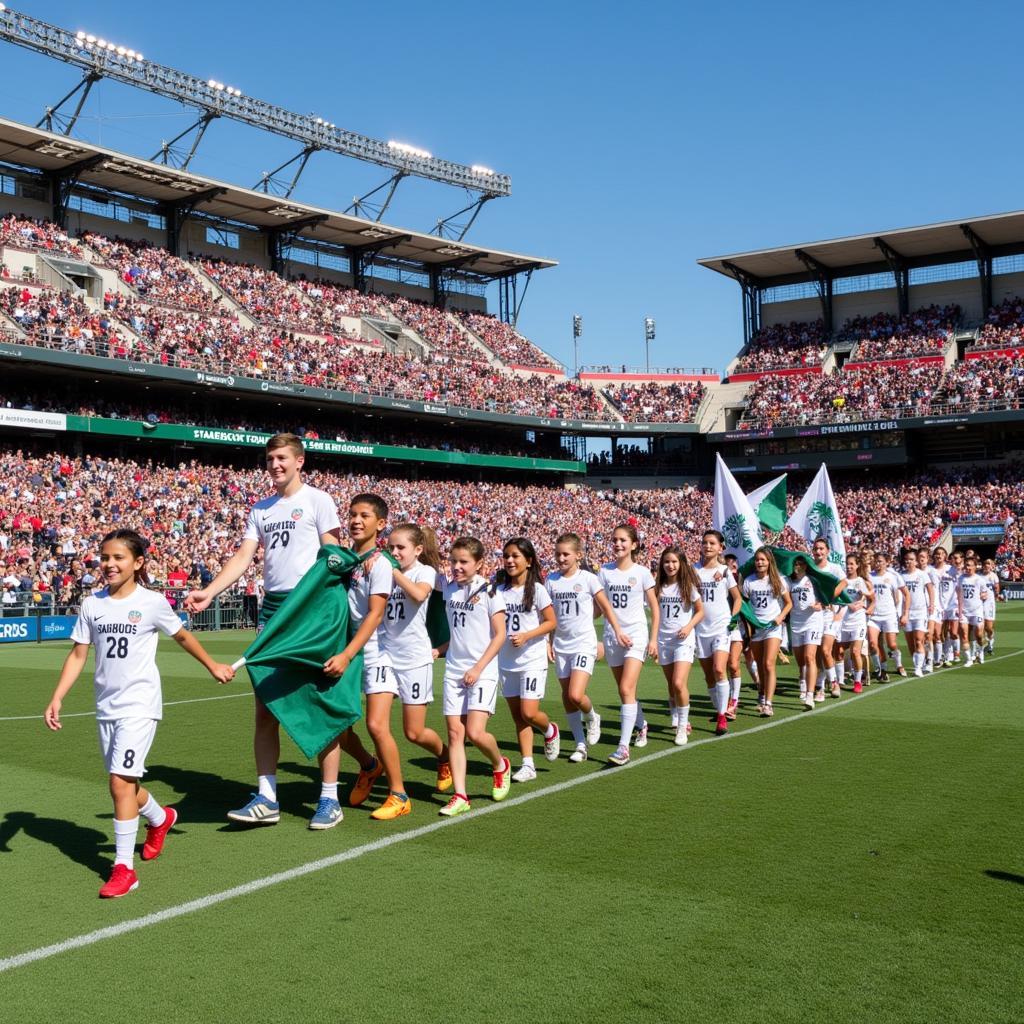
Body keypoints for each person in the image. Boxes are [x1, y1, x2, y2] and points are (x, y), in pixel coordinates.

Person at [184, 433, 375, 829]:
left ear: (300, 461)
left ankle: (328, 799)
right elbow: (243, 558)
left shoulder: (318, 501)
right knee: (265, 707)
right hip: (274, 612)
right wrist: (210, 591)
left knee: (320, 702)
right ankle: (267, 796)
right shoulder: (261, 508)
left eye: (282, 458)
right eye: (270, 458)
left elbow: (332, 556)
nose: (275, 464)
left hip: (311, 611)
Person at [44, 529, 234, 898]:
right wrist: (57, 697)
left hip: (140, 704)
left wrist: (211, 665)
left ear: (138, 563)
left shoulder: (151, 602)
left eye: (118, 558)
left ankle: (123, 869)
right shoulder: (92, 604)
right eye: (105, 557)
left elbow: (181, 636)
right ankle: (161, 819)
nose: (109, 564)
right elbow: (79, 654)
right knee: (126, 785)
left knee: (118, 782)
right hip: (106, 707)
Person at [342, 493, 410, 822]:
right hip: (346, 651)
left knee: (376, 725)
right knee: (336, 728)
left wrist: (348, 653)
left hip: (374, 653)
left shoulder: (381, 563)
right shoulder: (344, 559)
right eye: (352, 514)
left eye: (364, 515)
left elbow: (375, 615)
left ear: (380, 524)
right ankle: (370, 766)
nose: (356, 520)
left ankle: (399, 794)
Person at [436, 536, 511, 816]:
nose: (457, 566)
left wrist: (478, 668)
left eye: (464, 562)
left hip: (483, 670)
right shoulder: (448, 588)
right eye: (454, 561)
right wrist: (440, 650)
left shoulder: (491, 592)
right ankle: (460, 795)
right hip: (454, 669)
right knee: (455, 734)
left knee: (476, 733)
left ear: (479, 563)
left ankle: (499, 764)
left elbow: (500, 635)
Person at [546, 532, 628, 763]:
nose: (561, 558)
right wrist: (548, 641)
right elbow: (548, 616)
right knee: (566, 696)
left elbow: (605, 607)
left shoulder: (589, 579)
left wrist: (618, 631)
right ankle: (580, 745)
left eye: (566, 554)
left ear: (578, 556)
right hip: (561, 645)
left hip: (583, 643)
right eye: (558, 554)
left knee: (575, 694)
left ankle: (593, 716)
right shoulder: (551, 580)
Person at [381, 523, 451, 793]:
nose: (394, 552)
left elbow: (420, 594)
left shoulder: (425, 571)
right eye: (391, 548)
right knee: (376, 723)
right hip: (386, 655)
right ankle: (382, 778)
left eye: (401, 548)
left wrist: (393, 572)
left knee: (414, 732)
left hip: (413, 657)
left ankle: (444, 755)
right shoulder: (386, 572)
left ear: (418, 550)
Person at [494, 537, 559, 782]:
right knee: (518, 717)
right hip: (506, 662)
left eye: (516, 556)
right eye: (506, 556)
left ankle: (550, 729)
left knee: (529, 713)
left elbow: (551, 622)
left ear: (529, 561)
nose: (510, 561)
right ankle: (528, 764)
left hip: (531, 659)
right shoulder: (498, 590)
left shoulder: (538, 590)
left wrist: (528, 635)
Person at [600, 524, 658, 765]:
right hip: (612, 636)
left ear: (634, 545)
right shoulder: (604, 571)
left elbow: (655, 608)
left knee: (626, 688)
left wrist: (653, 639)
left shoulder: (643, 572)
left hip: (635, 635)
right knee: (626, 692)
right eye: (614, 540)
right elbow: (599, 607)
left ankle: (623, 748)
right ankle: (641, 724)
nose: (618, 544)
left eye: (623, 540)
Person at [654, 545, 704, 744]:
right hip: (664, 640)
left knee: (678, 682)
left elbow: (700, 611)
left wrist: (688, 626)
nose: (670, 565)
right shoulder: (658, 587)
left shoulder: (688, 586)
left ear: (681, 563)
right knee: (671, 684)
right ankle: (674, 713)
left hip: (684, 640)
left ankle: (683, 726)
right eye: (667, 562)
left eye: (674, 561)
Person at [695, 530, 742, 736]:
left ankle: (723, 716)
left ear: (720, 547)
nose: (708, 546)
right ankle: (719, 708)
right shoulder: (693, 570)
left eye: (712, 543)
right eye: (705, 542)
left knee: (719, 669)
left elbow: (737, 598)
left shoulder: (724, 571)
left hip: (721, 627)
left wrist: (733, 618)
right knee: (708, 676)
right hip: (700, 629)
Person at [742, 547, 792, 717]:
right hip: (757, 628)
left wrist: (780, 617)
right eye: (757, 560)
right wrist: (749, 627)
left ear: (769, 561)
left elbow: (788, 603)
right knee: (761, 665)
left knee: (769, 663)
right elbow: (745, 605)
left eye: (763, 559)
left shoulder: (777, 580)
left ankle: (768, 704)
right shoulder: (749, 581)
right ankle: (762, 695)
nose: (760, 562)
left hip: (773, 627)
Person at [812, 539, 847, 696]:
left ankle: (834, 684)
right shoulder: (810, 568)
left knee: (826, 650)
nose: (818, 551)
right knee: (818, 652)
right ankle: (819, 685)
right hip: (814, 615)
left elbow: (844, 582)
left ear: (827, 551)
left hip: (830, 615)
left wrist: (831, 597)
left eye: (821, 548)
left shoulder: (834, 568)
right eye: (816, 548)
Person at [788, 555, 823, 709]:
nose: (798, 566)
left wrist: (820, 604)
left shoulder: (813, 580)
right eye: (796, 563)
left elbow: (825, 595)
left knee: (810, 657)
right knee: (800, 659)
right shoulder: (788, 581)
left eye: (801, 563)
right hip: (796, 622)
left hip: (813, 621)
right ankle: (802, 680)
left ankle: (810, 694)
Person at [724, 553, 757, 716]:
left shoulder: (741, 583)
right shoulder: (719, 580)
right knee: (720, 668)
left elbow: (748, 607)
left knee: (733, 664)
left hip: (737, 627)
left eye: (734, 564)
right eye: (729, 564)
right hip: (719, 628)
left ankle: (734, 701)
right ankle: (725, 698)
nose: (732, 567)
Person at [868, 552, 909, 682]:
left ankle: (899, 663)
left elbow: (902, 596)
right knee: (873, 643)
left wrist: (903, 613)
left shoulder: (892, 577)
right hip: (874, 617)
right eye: (876, 561)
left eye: (880, 561)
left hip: (888, 615)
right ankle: (880, 669)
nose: (877, 563)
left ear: (886, 562)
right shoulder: (869, 577)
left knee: (891, 644)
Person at [837, 554, 873, 694]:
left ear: (857, 565)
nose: (849, 566)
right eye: (847, 563)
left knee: (855, 652)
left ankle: (857, 681)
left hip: (858, 621)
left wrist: (868, 608)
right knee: (839, 652)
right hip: (843, 620)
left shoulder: (860, 582)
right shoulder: (843, 581)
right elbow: (836, 596)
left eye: (852, 564)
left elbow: (872, 598)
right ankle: (839, 680)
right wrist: (847, 603)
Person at [900, 549, 935, 677]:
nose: (909, 562)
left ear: (916, 562)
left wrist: (931, 604)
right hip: (907, 612)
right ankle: (919, 661)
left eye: (911, 560)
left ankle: (918, 668)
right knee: (910, 643)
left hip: (920, 611)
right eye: (907, 560)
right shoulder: (901, 575)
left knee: (919, 640)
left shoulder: (922, 574)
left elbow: (930, 589)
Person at [957, 556, 989, 667]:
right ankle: (969, 659)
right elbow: (958, 594)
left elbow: (985, 593)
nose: (967, 567)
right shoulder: (961, 578)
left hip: (977, 610)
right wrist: (958, 609)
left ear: (975, 566)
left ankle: (980, 651)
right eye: (966, 565)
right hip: (964, 611)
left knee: (979, 635)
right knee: (964, 635)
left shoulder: (980, 580)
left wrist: (984, 595)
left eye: (970, 565)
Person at [931, 547, 960, 667]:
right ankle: (941, 656)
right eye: (937, 554)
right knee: (939, 633)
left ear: (945, 556)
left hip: (952, 604)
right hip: (938, 604)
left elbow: (959, 583)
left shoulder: (951, 569)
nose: (939, 556)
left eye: (942, 554)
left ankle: (952, 654)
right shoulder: (931, 570)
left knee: (951, 631)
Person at [981, 557, 1000, 653]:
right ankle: (984, 645)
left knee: (989, 627)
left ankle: (991, 641)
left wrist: (997, 594)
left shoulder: (993, 576)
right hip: (979, 604)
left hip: (989, 603)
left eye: (988, 564)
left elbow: (997, 588)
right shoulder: (978, 575)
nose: (986, 565)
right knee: (981, 626)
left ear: (991, 566)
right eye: (985, 563)